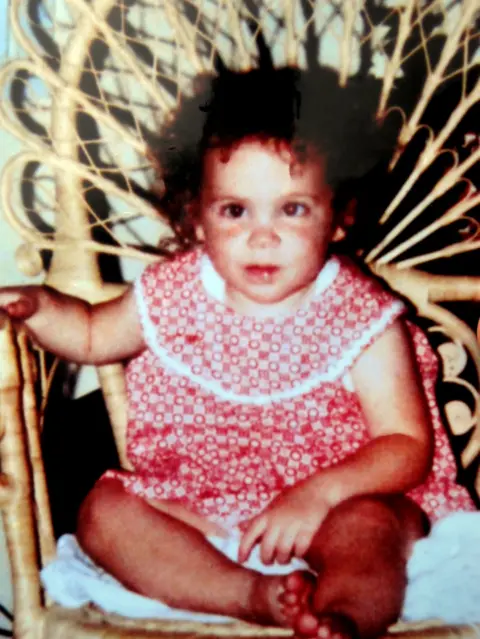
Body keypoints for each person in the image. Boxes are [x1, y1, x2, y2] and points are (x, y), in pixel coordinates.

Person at [0, 66, 475, 639]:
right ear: (197, 217)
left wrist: (315, 495)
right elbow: (95, 336)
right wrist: (42, 307)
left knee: (370, 526)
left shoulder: (360, 318)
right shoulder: (174, 294)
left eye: (292, 209)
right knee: (104, 511)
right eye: (235, 210)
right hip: (205, 514)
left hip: (337, 506)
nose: (262, 235)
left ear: (339, 214)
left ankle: (341, 616)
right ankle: (253, 595)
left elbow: (405, 447)